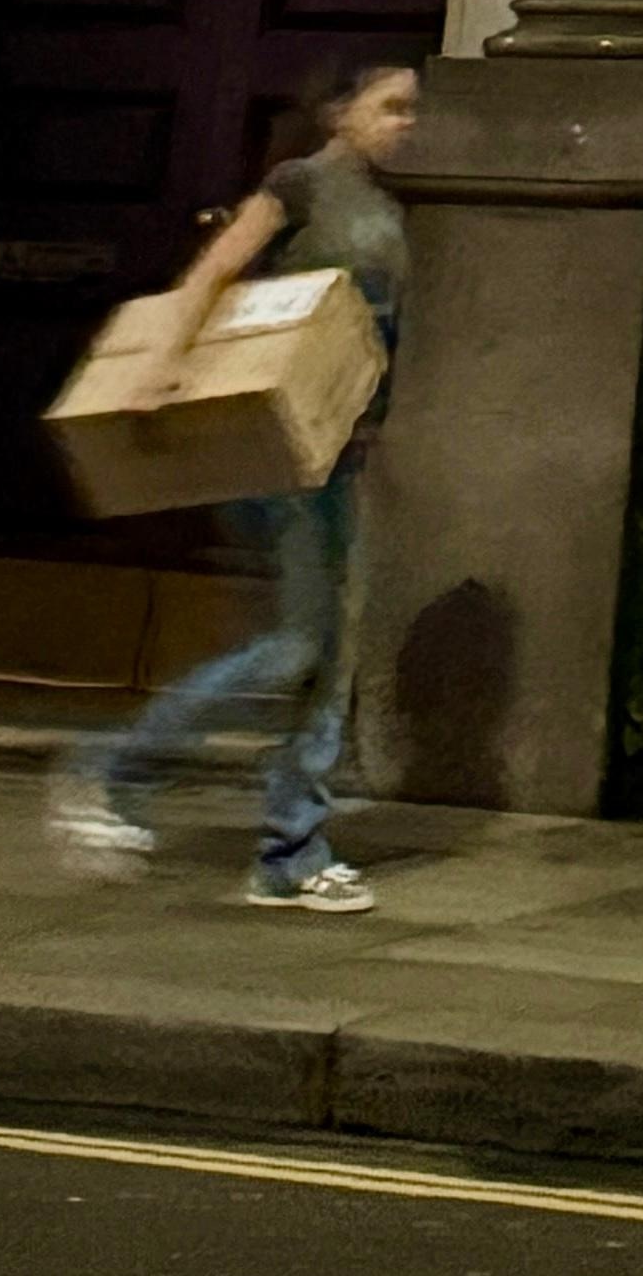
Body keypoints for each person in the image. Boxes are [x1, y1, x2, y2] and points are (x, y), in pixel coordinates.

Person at [48, 55, 415, 915]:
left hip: (332, 454)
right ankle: (116, 775)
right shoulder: (303, 184)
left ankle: (289, 851)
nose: (406, 124)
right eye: (390, 106)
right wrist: (159, 372)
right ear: (340, 112)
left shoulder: (387, 206)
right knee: (297, 650)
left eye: (412, 110)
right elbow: (212, 273)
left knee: (321, 659)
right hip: (278, 458)